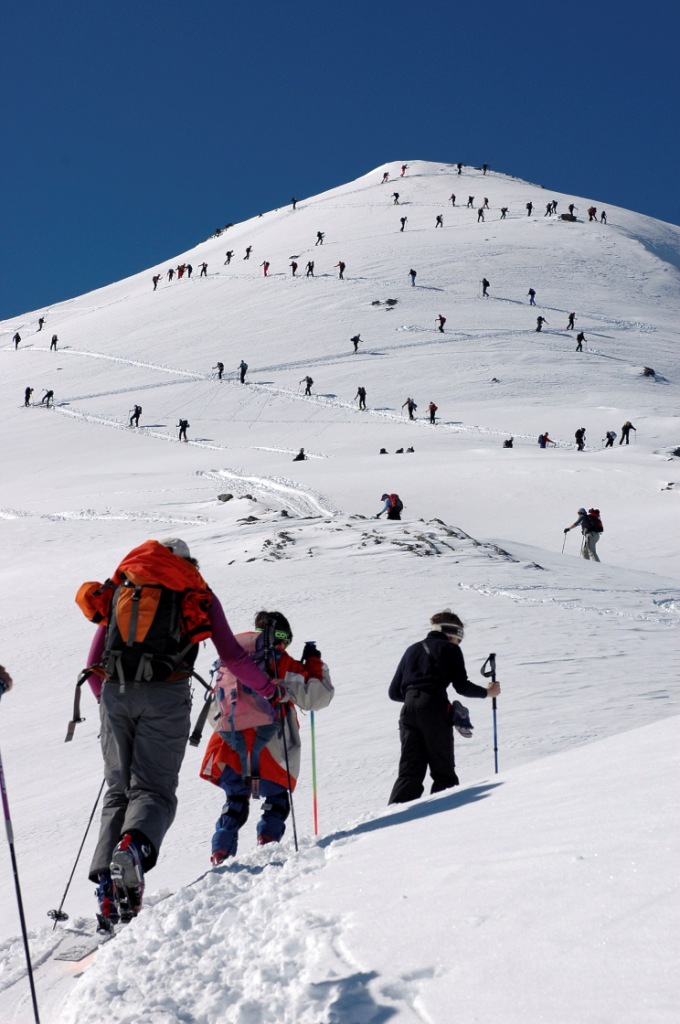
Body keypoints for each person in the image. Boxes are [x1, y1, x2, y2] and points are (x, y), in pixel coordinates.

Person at [78, 538, 276, 923]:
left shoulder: (123, 585)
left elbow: (92, 664)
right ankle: (133, 849)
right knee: (153, 790)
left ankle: (107, 891)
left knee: (118, 790)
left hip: (115, 695)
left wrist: (110, 704)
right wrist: (269, 689)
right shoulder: (196, 589)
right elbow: (232, 656)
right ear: (188, 562)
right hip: (166, 697)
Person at [200, 610, 333, 862]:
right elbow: (318, 696)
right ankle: (267, 844)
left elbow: (213, 711)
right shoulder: (280, 662)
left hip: (227, 745)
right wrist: (314, 664)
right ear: (282, 638)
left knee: (235, 800)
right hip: (271, 745)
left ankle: (220, 851)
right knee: (276, 799)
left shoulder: (228, 660)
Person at [387, 610, 500, 804]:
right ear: (453, 633)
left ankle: (394, 818)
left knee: (409, 772)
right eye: (459, 638)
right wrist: (488, 692)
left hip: (407, 711)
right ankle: (441, 820)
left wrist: (415, 699)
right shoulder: (450, 649)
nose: (459, 643)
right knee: (443, 771)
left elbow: (393, 693)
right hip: (434, 707)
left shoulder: (411, 650)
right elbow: (461, 686)